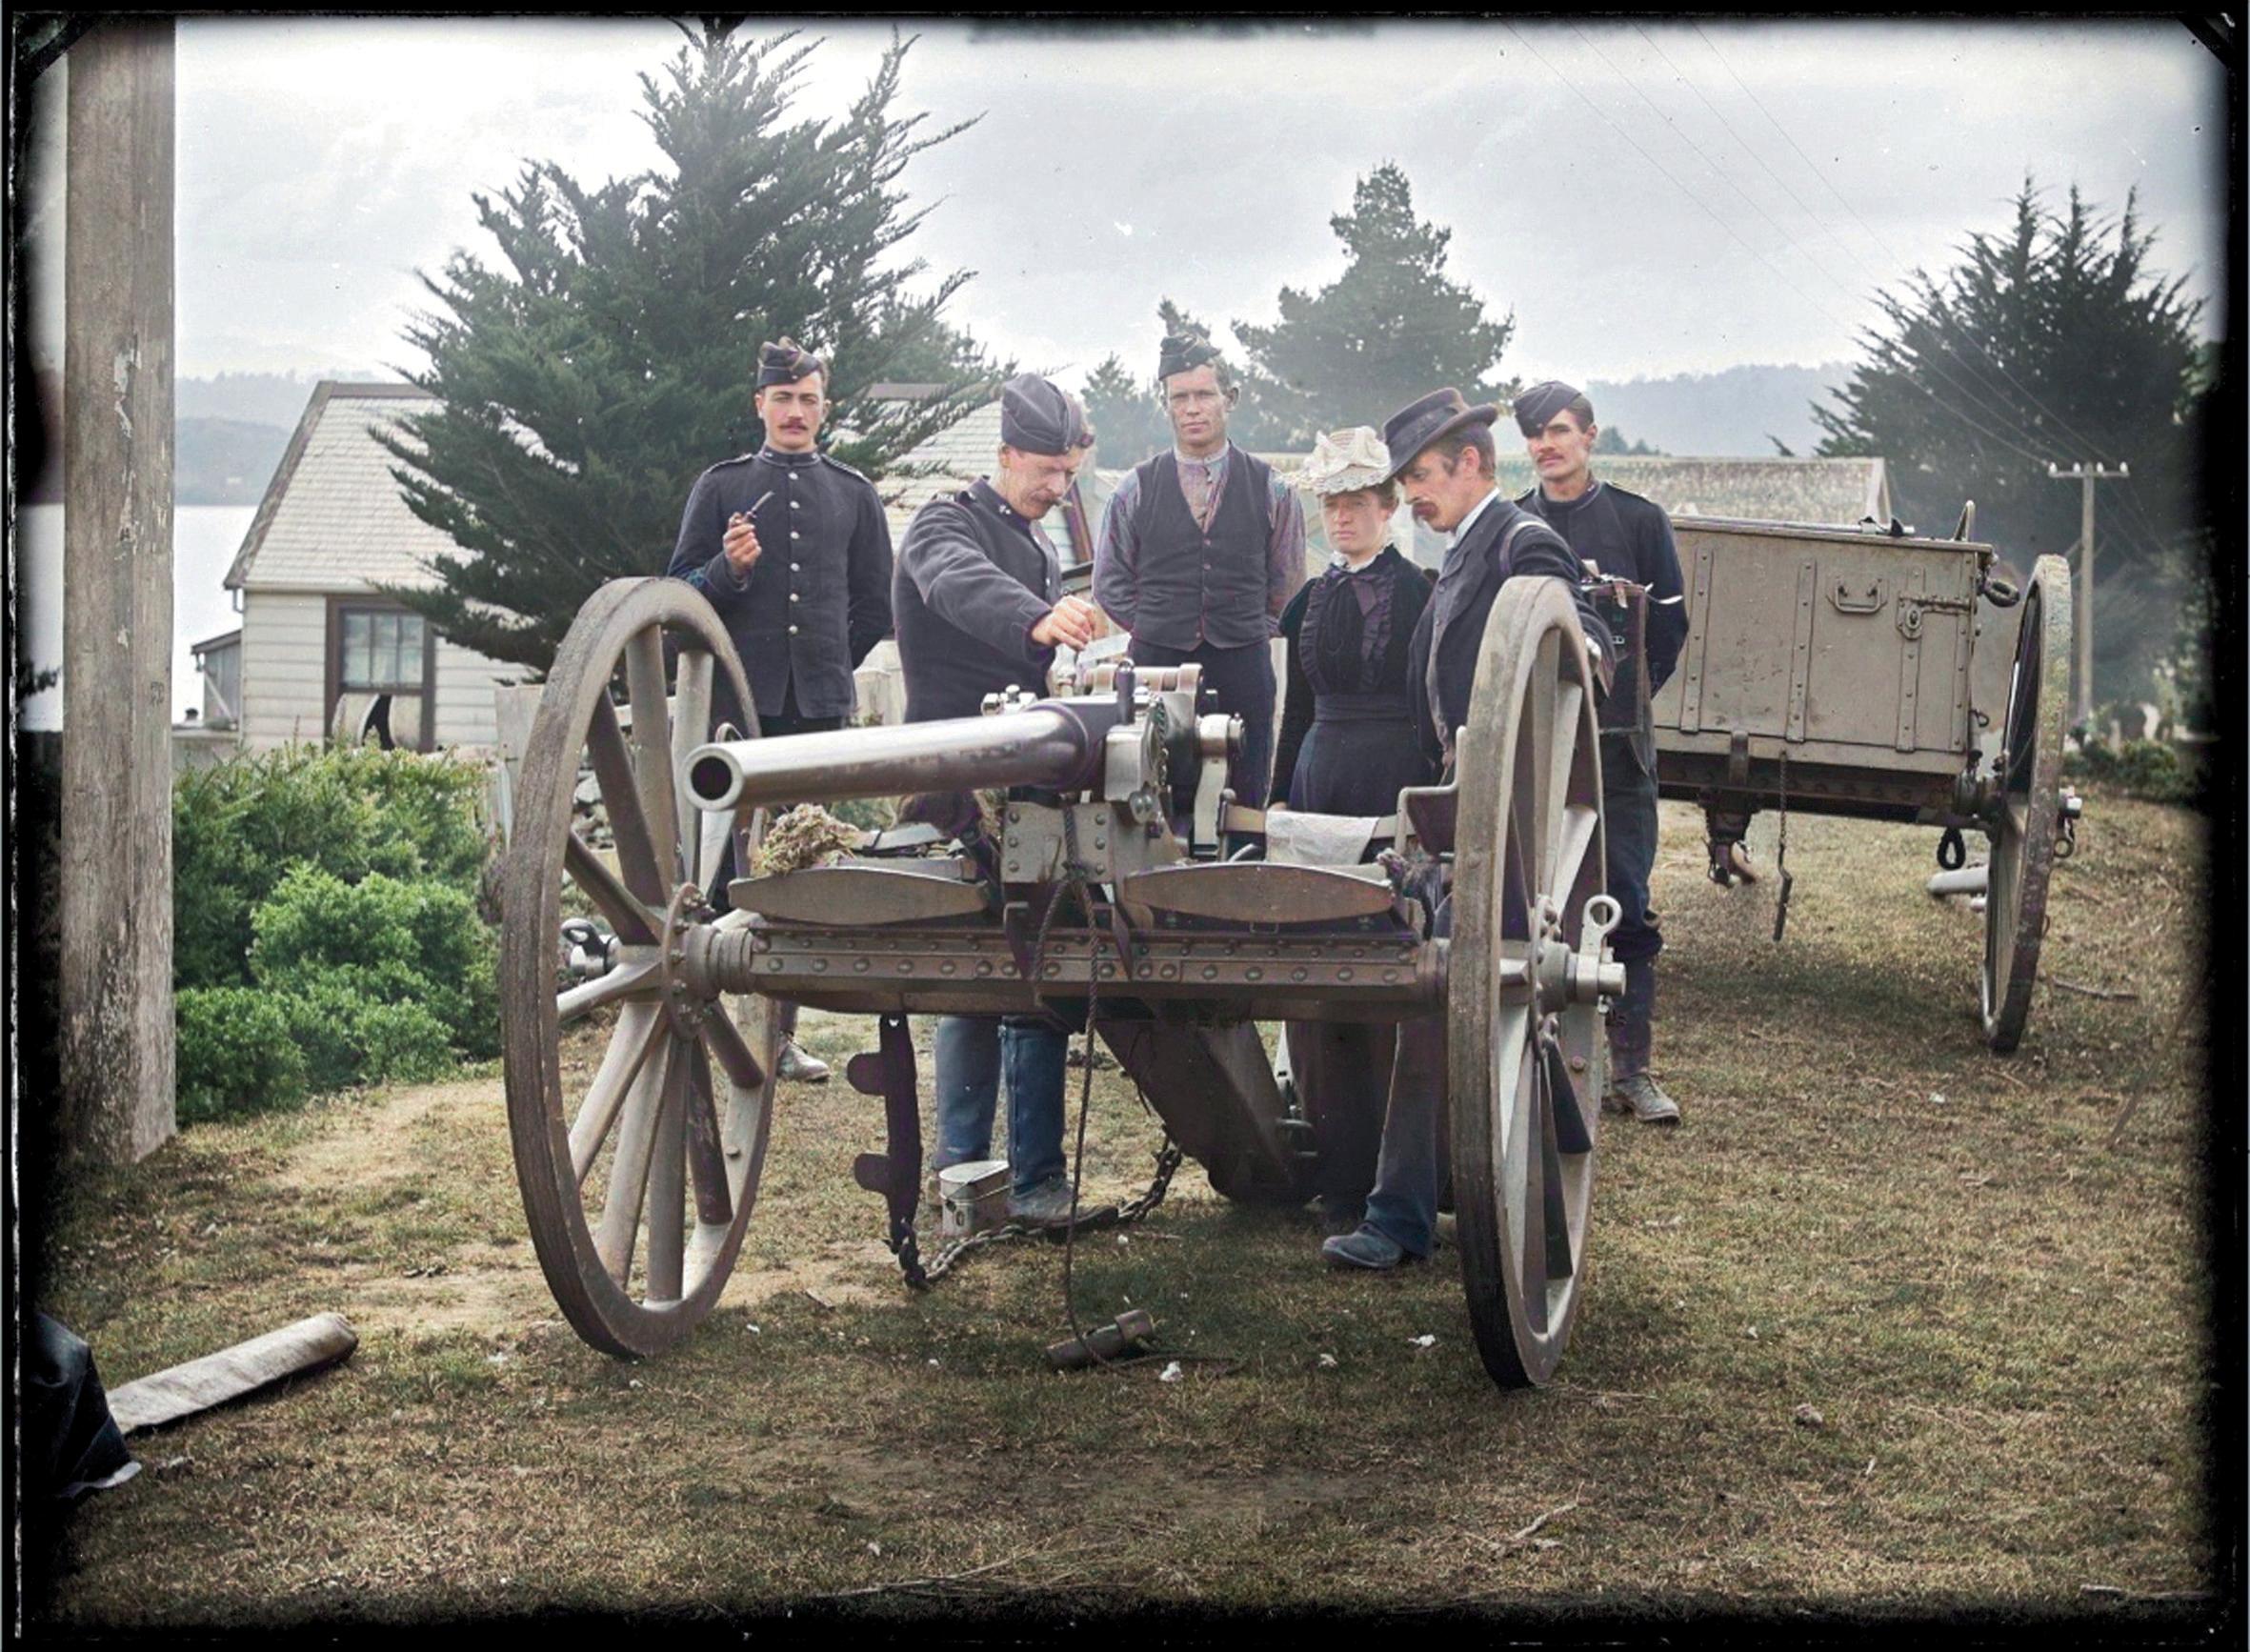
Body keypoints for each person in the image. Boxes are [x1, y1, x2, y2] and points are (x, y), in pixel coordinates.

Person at [1321, 388, 1610, 1272]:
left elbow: (1579, 635)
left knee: (1439, 1004)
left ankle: (1401, 1216)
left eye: (1421, 476)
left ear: (1473, 466)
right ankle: (1403, 1196)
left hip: (1509, 828)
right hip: (1461, 810)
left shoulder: (1520, 542)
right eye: (1404, 478)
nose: (1410, 494)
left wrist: (1583, 651)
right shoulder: (1459, 554)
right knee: (1427, 1001)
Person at [893, 373, 1105, 1228]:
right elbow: (952, 583)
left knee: (1038, 979)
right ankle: (963, 1181)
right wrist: (1038, 619)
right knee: (968, 986)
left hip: (1029, 792)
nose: (1057, 489)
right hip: (949, 791)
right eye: (1044, 471)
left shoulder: (1038, 544)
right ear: (1006, 454)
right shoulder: (946, 523)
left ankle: (1035, 1180)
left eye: (1067, 474)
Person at [667, 335, 894, 1083]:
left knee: (800, 859)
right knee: (735, 863)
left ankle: (783, 1033)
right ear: (759, 405)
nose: (795, 413)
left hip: (818, 705)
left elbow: (872, 606)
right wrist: (728, 573)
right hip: (741, 709)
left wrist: (828, 669)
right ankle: (723, 1020)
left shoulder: (853, 493)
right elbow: (680, 597)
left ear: (824, 409)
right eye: (783, 399)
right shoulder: (723, 486)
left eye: (809, 400)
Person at [1266, 427, 1439, 1240]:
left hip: (1388, 769)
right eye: (1332, 507)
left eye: (1358, 507)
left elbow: (1434, 704)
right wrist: (1275, 805)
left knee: (1379, 959)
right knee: (1314, 957)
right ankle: (1335, 1168)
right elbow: (1293, 710)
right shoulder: (1306, 601)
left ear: (1387, 508)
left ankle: (1389, 1167)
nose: (1343, 521)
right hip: (1318, 771)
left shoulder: (1420, 594)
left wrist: (1433, 799)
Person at [1512, 380, 1690, 1126]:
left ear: (1589, 436)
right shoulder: (1512, 525)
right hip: (1536, 747)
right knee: (1529, 907)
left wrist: (1618, 705)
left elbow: (1670, 634)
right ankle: (1533, 1065)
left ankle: (1631, 1072)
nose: (1546, 446)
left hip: (1617, 750)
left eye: (1558, 431)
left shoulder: (1638, 522)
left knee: (1627, 901)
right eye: (1534, 435)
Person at [1092, 330, 1306, 831]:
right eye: (1179, 397)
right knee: (1151, 798)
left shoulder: (1272, 488)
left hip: (1243, 667)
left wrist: (1249, 624)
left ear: (1229, 400)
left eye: (1204, 395)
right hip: (1154, 671)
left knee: (1244, 797)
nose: (1192, 409)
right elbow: (1109, 581)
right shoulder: (1135, 488)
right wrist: (1156, 624)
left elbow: (1288, 583)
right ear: (1165, 404)